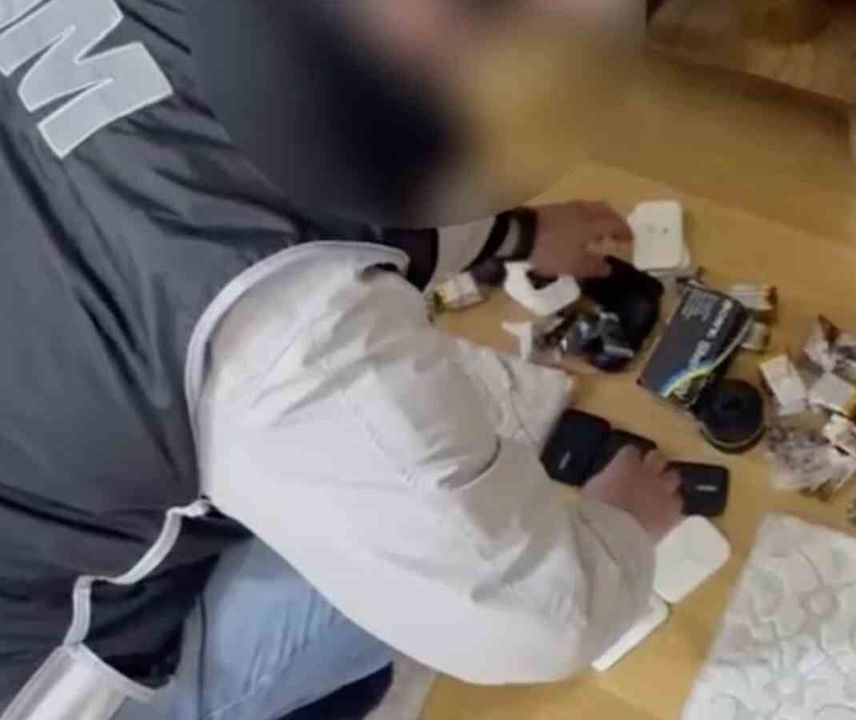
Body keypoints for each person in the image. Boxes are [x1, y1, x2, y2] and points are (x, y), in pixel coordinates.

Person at [0, 0, 680, 718]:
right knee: (402, 576)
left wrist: (515, 235)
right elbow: (533, 620)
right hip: (39, 670)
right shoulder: (291, 334)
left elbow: (319, 151)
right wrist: (623, 532)